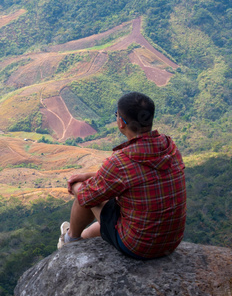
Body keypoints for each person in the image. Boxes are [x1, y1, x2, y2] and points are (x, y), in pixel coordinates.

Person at [58, 92, 186, 259]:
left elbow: (87, 198)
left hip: (139, 246)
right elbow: (137, 175)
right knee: (102, 203)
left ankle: (69, 239)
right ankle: (80, 238)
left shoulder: (121, 162)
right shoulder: (169, 147)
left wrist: (76, 185)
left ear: (121, 123)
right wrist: (89, 175)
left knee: (85, 191)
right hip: (170, 242)